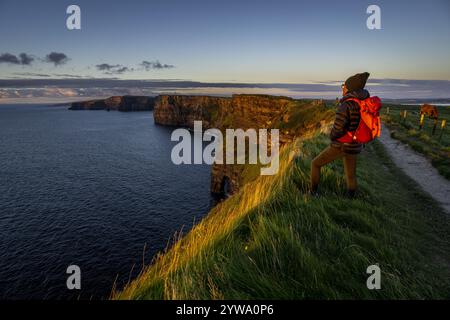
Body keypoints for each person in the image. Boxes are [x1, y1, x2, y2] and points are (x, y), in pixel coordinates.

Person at [310, 72, 372, 198]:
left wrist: (332, 138)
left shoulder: (346, 104)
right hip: (355, 144)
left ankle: (313, 193)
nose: (342, 88)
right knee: (351, 174)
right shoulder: (363, 103)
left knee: (315, 164)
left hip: (342, 145)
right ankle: (351, 199)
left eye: (344, 85)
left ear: (349, 87)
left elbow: (338, 129)